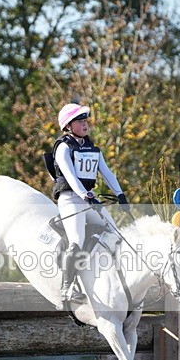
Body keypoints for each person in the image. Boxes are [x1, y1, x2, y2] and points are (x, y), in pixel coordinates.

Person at [49, 103, 130, 305]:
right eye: (80, 121)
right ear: (68, 125)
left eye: (85, 120)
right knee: (76, 239)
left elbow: (107, 173)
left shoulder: (92, 148)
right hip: (70, 199)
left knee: (116, 234)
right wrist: (86, 195)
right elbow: (70, 176)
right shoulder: (63, 147)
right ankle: (66, 288)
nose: (85, 124)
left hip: (88, 198)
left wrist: (120, 195)